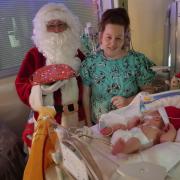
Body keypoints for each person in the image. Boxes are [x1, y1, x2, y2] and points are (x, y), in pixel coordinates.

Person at [15, 3, 86, 148]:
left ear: (69, 27)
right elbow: (21, 84)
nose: (57, 30)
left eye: (61, 24)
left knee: (79, 159)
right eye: (51, 26)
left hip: (77, 117)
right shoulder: (34, 55)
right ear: (43, 29)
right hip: (48, 120)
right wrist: (40, 89)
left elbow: (89, 81)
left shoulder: (77, 53)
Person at [79, 8, 156, 125]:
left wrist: (129, 101)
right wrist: (89, 124)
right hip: (98, 126)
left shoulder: (137, 61)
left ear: (125, 38)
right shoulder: (90, 62)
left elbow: (149, 92)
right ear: (101, 36)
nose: (113, 43)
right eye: (108, 37)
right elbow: (86, 95)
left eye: (118, 38)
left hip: (131, 125)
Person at [102, 110, 177, 155]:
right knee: (121, 126)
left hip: (140, 142)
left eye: (147, 116)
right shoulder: (141, 124)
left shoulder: (159, 131)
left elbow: (165, 140)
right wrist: (133, 123)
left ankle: (124, 149)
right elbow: (129, 128)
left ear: (157, 118)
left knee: (135, 140)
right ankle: (109, 130)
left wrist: (172, 130)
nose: (144, 117)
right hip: (126, 135)